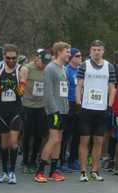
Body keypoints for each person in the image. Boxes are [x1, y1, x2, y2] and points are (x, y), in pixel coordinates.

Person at [76, 40, 116, 182]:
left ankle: (94, 170)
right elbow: (79, 85)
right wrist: (78, 103)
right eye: (94, 50)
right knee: (84, 140)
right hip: (86, 108)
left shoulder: (109, 66)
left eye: (99, 50)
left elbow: (112, 87)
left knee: (99, 141)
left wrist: (110, 105)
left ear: (103, 51)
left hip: (102, 109)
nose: (96, 52)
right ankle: (82, 171)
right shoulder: (84, 65)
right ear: (90, 51)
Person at [34, 41, 71, 183]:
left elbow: (63, 90)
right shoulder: (50, 68)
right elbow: (48, 92)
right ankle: (40, 171)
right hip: (54, 110)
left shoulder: (63, 68)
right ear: (59, 52)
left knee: (59, 140)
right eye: (66, 51)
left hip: (63, 109)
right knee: (54, 139)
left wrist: (65, 108)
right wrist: (54, 110)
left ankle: (54, 170)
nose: (69, 54)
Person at [0, 44, 27, 184]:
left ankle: (12, 172)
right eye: (8, 58)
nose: (11, 61)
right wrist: (2, 87)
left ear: (17, 57)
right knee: (4, 144)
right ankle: (4, 172)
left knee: (13, 142)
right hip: (2, 111)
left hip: (16, 111)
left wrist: (12, 86)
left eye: (14, 58)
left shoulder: (21, 69)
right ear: (4, 57)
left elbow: (22, 92)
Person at [22, 49, 51, 174]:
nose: (44, 65)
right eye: (43, 61)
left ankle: (33, 160)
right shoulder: (27, 68)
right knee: (27, 134)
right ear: (37, 58)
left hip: (41, 106)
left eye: (47, 62)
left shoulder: (48, 70)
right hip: (28, 105)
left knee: (39, 135)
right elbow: (21, 86)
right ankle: (25, 161)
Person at [60, 48, 82, 172]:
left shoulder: (81, 70)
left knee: (77, 133)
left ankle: (73, 159)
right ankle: (61, 161)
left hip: (79, 104)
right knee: (66, 134)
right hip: (68, 104)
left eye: (81, 56)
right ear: (72, 57)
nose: (80, 58)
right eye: (78, 56)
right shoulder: (67, 70)